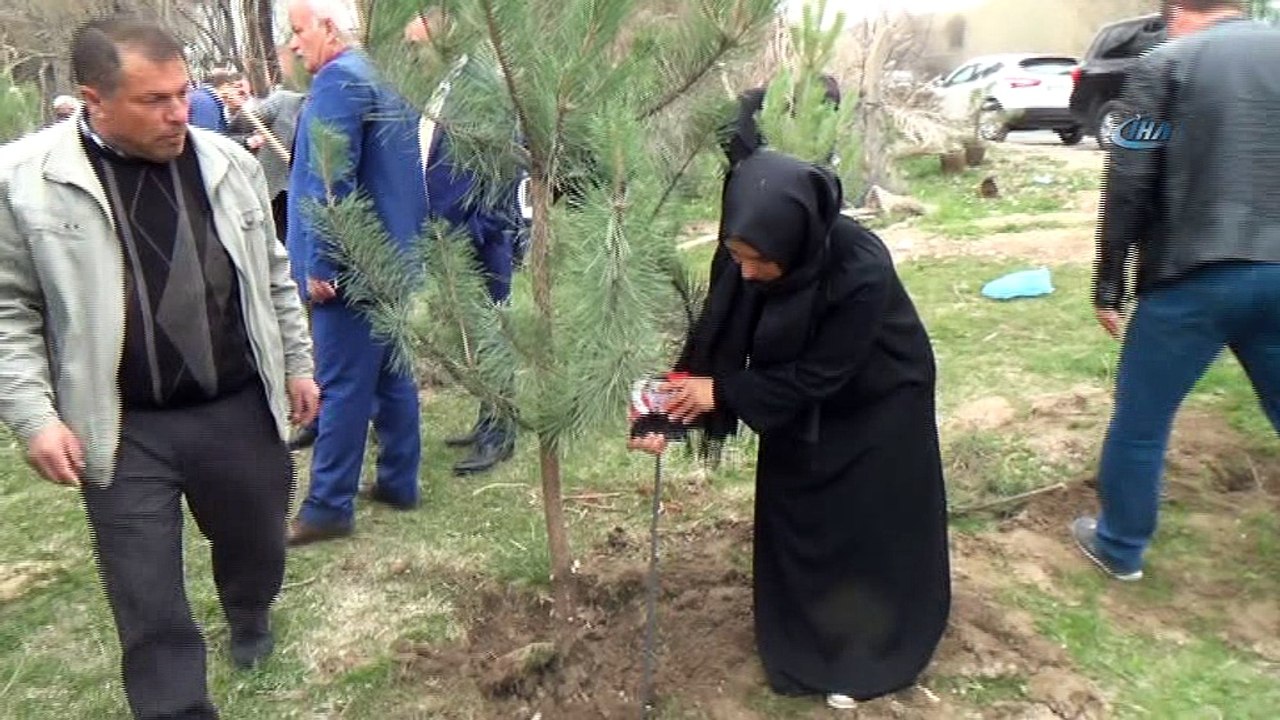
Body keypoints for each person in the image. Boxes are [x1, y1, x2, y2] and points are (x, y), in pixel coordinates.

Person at [0, 16, 318, 719]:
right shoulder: (25, 182)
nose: (180, 112)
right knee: (143, 590)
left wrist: (298, 363)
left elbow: (271, 274)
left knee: (258, 537)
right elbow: (9, 309)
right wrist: (34, 417)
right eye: (155, 100)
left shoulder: (226, 163)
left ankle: (248, 610)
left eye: (184, 92)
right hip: (121, 421)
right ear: (94, 98)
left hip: (235, 402)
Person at [629, 150, 951, 709]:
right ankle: (802, 639)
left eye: (758, 262)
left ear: (797, 241)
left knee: (862, 524)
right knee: (796, 508)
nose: (745, 271)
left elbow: (821, 374)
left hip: (879, 399)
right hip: (793, 395)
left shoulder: (860, 267)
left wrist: (725, 394)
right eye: (737, 255)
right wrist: (665, 415)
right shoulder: (746, 249)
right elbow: (715, 339)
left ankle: (865, 655)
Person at [1073, 0, 1280, 581]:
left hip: (1195, 277)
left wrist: (1109, 280)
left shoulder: (1166, 63)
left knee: (1143, 420)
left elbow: (1131, 174)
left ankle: (1119, 547)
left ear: (1177, 12)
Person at [285, 0, 427, 545]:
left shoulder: (339, 82)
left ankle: (327, 506)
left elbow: (329, 178)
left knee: (341, 386)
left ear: (328, 26)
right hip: (391, 258)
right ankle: (398, 480)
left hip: (350, 267)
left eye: (298, 31)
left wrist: (321, 261)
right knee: (392, 374)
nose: (295, 45)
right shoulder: (385, 77)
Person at [405, 9, 525, 475]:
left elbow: (499, 167)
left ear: (442, 23)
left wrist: (469, 230)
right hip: (452, 239)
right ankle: (487, 419)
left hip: (479, 238)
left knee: (492, 335)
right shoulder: (443, 85)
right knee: (475, 335)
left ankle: (501, 433)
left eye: (415, 37)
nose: (410, 48)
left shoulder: (477, 84)